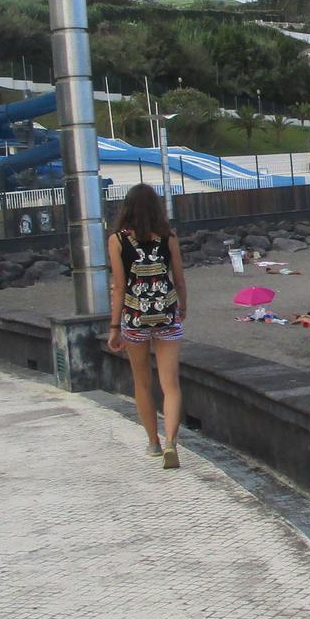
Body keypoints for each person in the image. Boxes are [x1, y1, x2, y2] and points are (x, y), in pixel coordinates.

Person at [106, 184, 187, 469]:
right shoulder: (168, 237)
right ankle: (171, 442)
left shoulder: (117, 240)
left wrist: (114, 327)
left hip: (134, 317)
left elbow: (119, 287)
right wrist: (183, 308)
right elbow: (179, 279)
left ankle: (153, 443)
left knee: (142, 382)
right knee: (170, 383)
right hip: (166, 314)